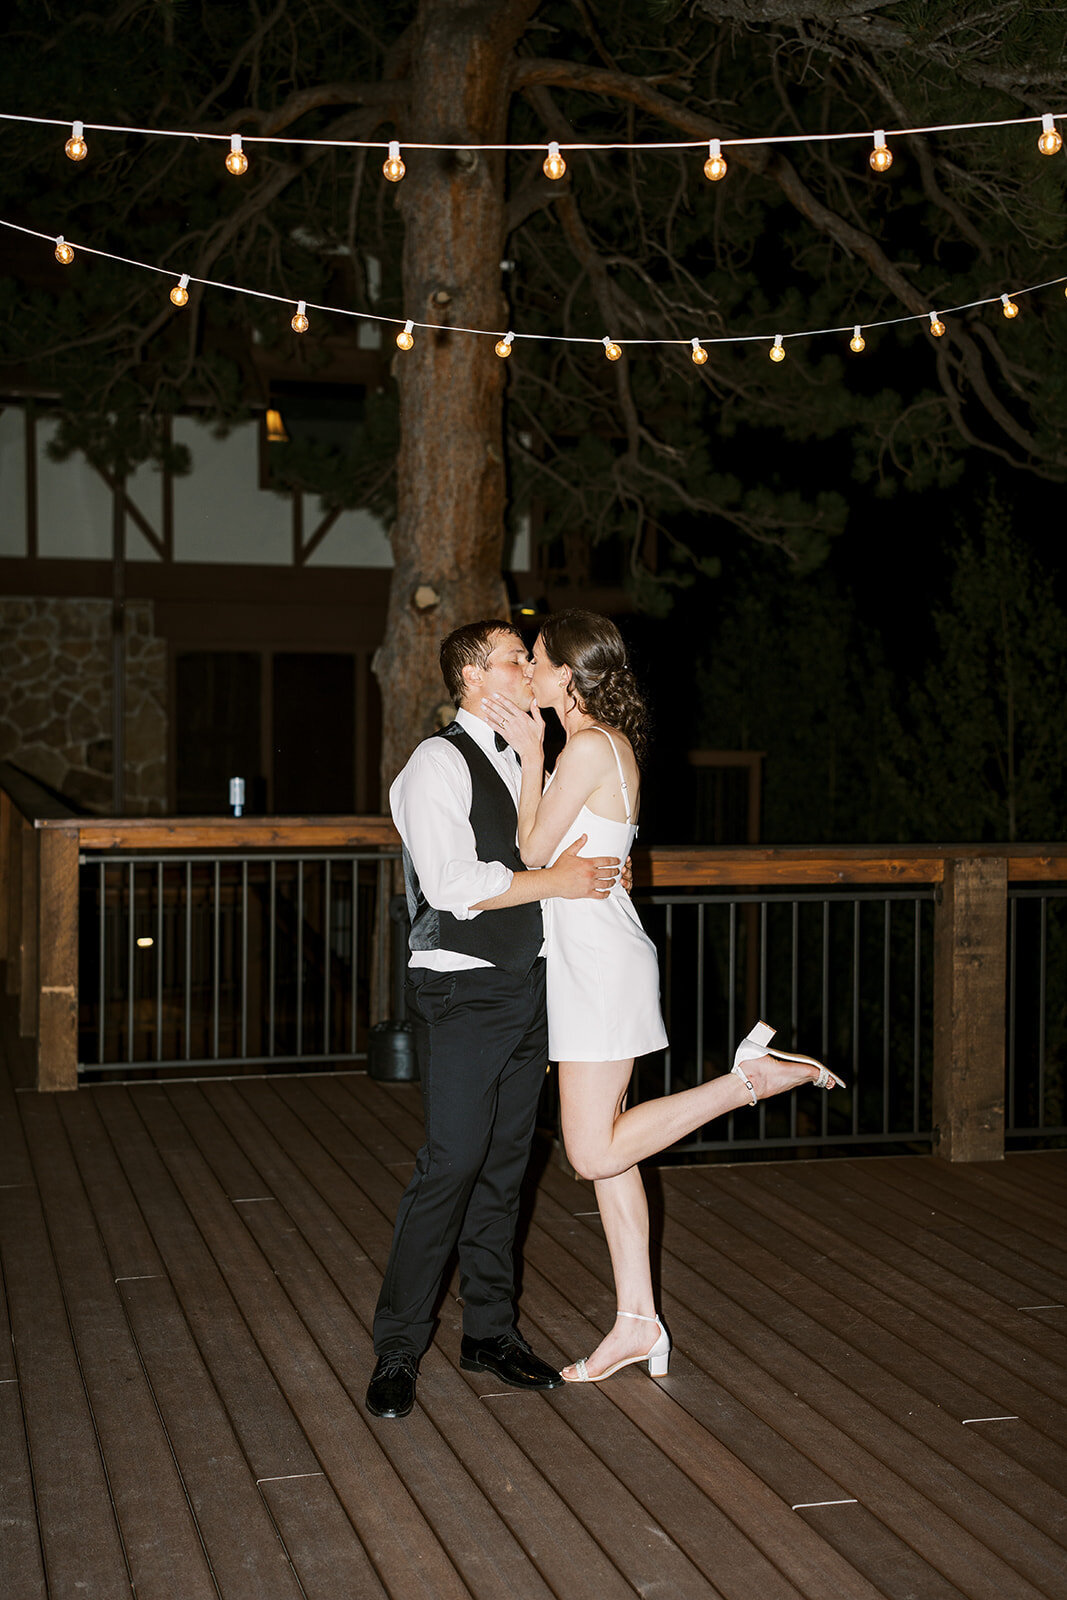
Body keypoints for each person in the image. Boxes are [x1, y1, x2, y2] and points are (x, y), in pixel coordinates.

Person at [484, 609, 843, 1384]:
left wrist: (529, 755)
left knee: (589, 1152)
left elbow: (531, 853)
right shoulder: (602, 744)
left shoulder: (582, 745)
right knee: (613, 1159)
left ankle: (750, 1079)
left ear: (569, 677)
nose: (531, 671)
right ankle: (637, 1323)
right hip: (593, 957)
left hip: (600, 964)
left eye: (539, 660)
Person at [365, 619, 624, 1420]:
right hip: (463, 987)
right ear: (476, 677)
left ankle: (489, 1333)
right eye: (519, 660)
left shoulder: (527, 758)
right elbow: (452, 886)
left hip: (529, 986)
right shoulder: (433, 763)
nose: (533, 671)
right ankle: (398, 1347)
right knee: (451, 1163)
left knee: (506, 1165)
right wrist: (558, 883)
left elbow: (546, 856)